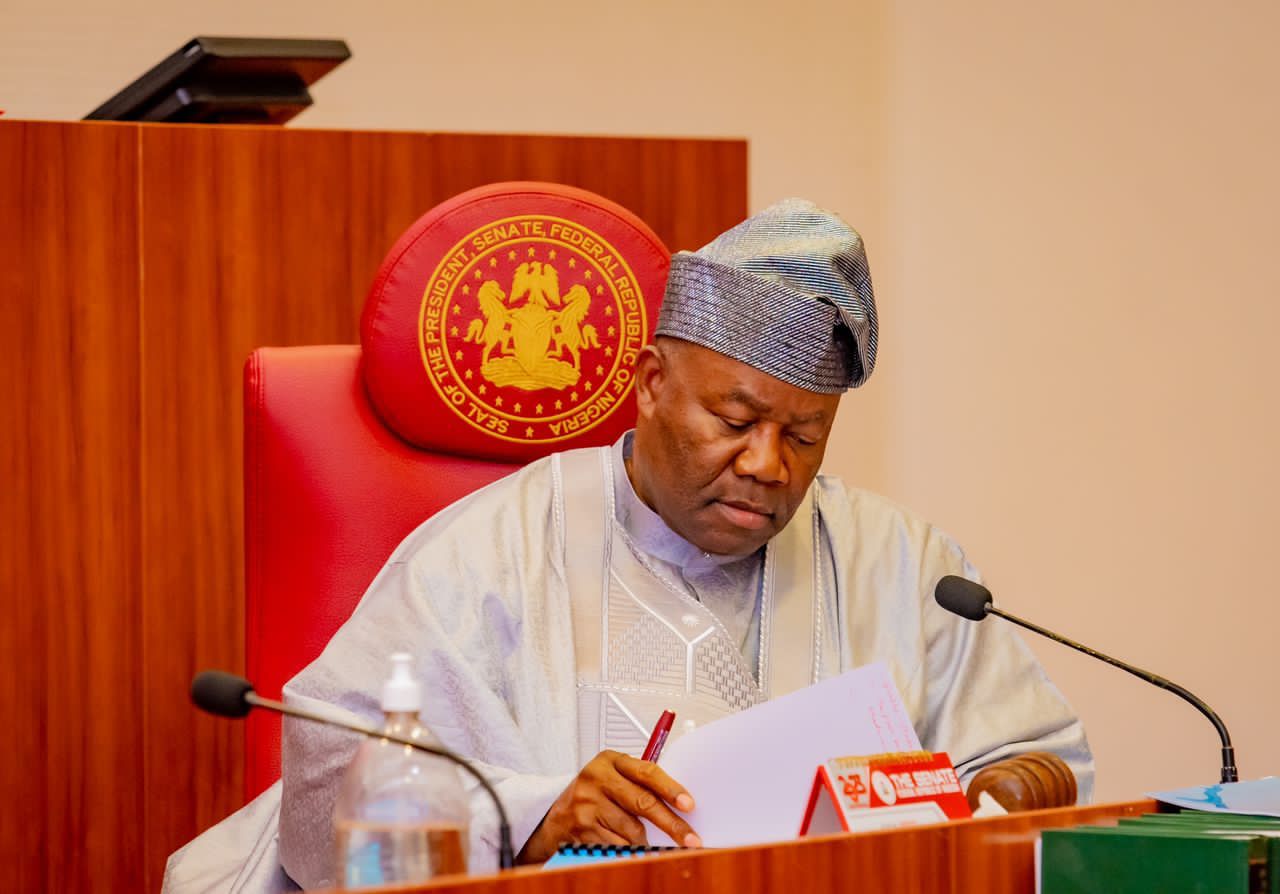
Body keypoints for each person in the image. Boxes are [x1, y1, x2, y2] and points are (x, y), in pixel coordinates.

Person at [162, 199, 1093, 893]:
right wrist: (530, 817)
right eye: (734, 420)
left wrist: (1014, 785)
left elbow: (1033, 767)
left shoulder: (903, 563)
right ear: (650, 384)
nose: (768, 465)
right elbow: (332, 772)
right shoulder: (494, 548)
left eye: (805, 437)